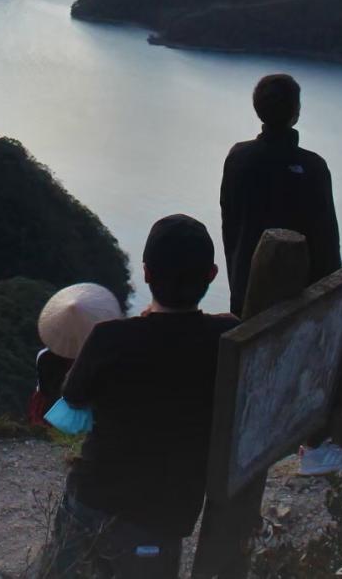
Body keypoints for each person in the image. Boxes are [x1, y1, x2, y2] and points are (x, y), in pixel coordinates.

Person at [40, 215, 238, 578]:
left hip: (94, 500)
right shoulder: (227, 338)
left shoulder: (109, 339)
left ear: (146, 273)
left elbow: (74, 395)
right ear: (211, 275)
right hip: (163, 515)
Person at [218, 72, 342, 475]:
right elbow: (326, 238)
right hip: (300, 291)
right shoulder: (312, 168)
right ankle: (313, 448)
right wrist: (328, 296)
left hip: (246, 286)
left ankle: (238, 447)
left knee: (252, 367)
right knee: (313, 364)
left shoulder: (238, 157)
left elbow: (230, 218)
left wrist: (236, 271)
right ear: (296, 112)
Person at [29, 282, 123, 425]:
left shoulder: (44, 356)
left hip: (49, 413)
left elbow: (43, 390)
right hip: (91, 413)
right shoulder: (103, 356)